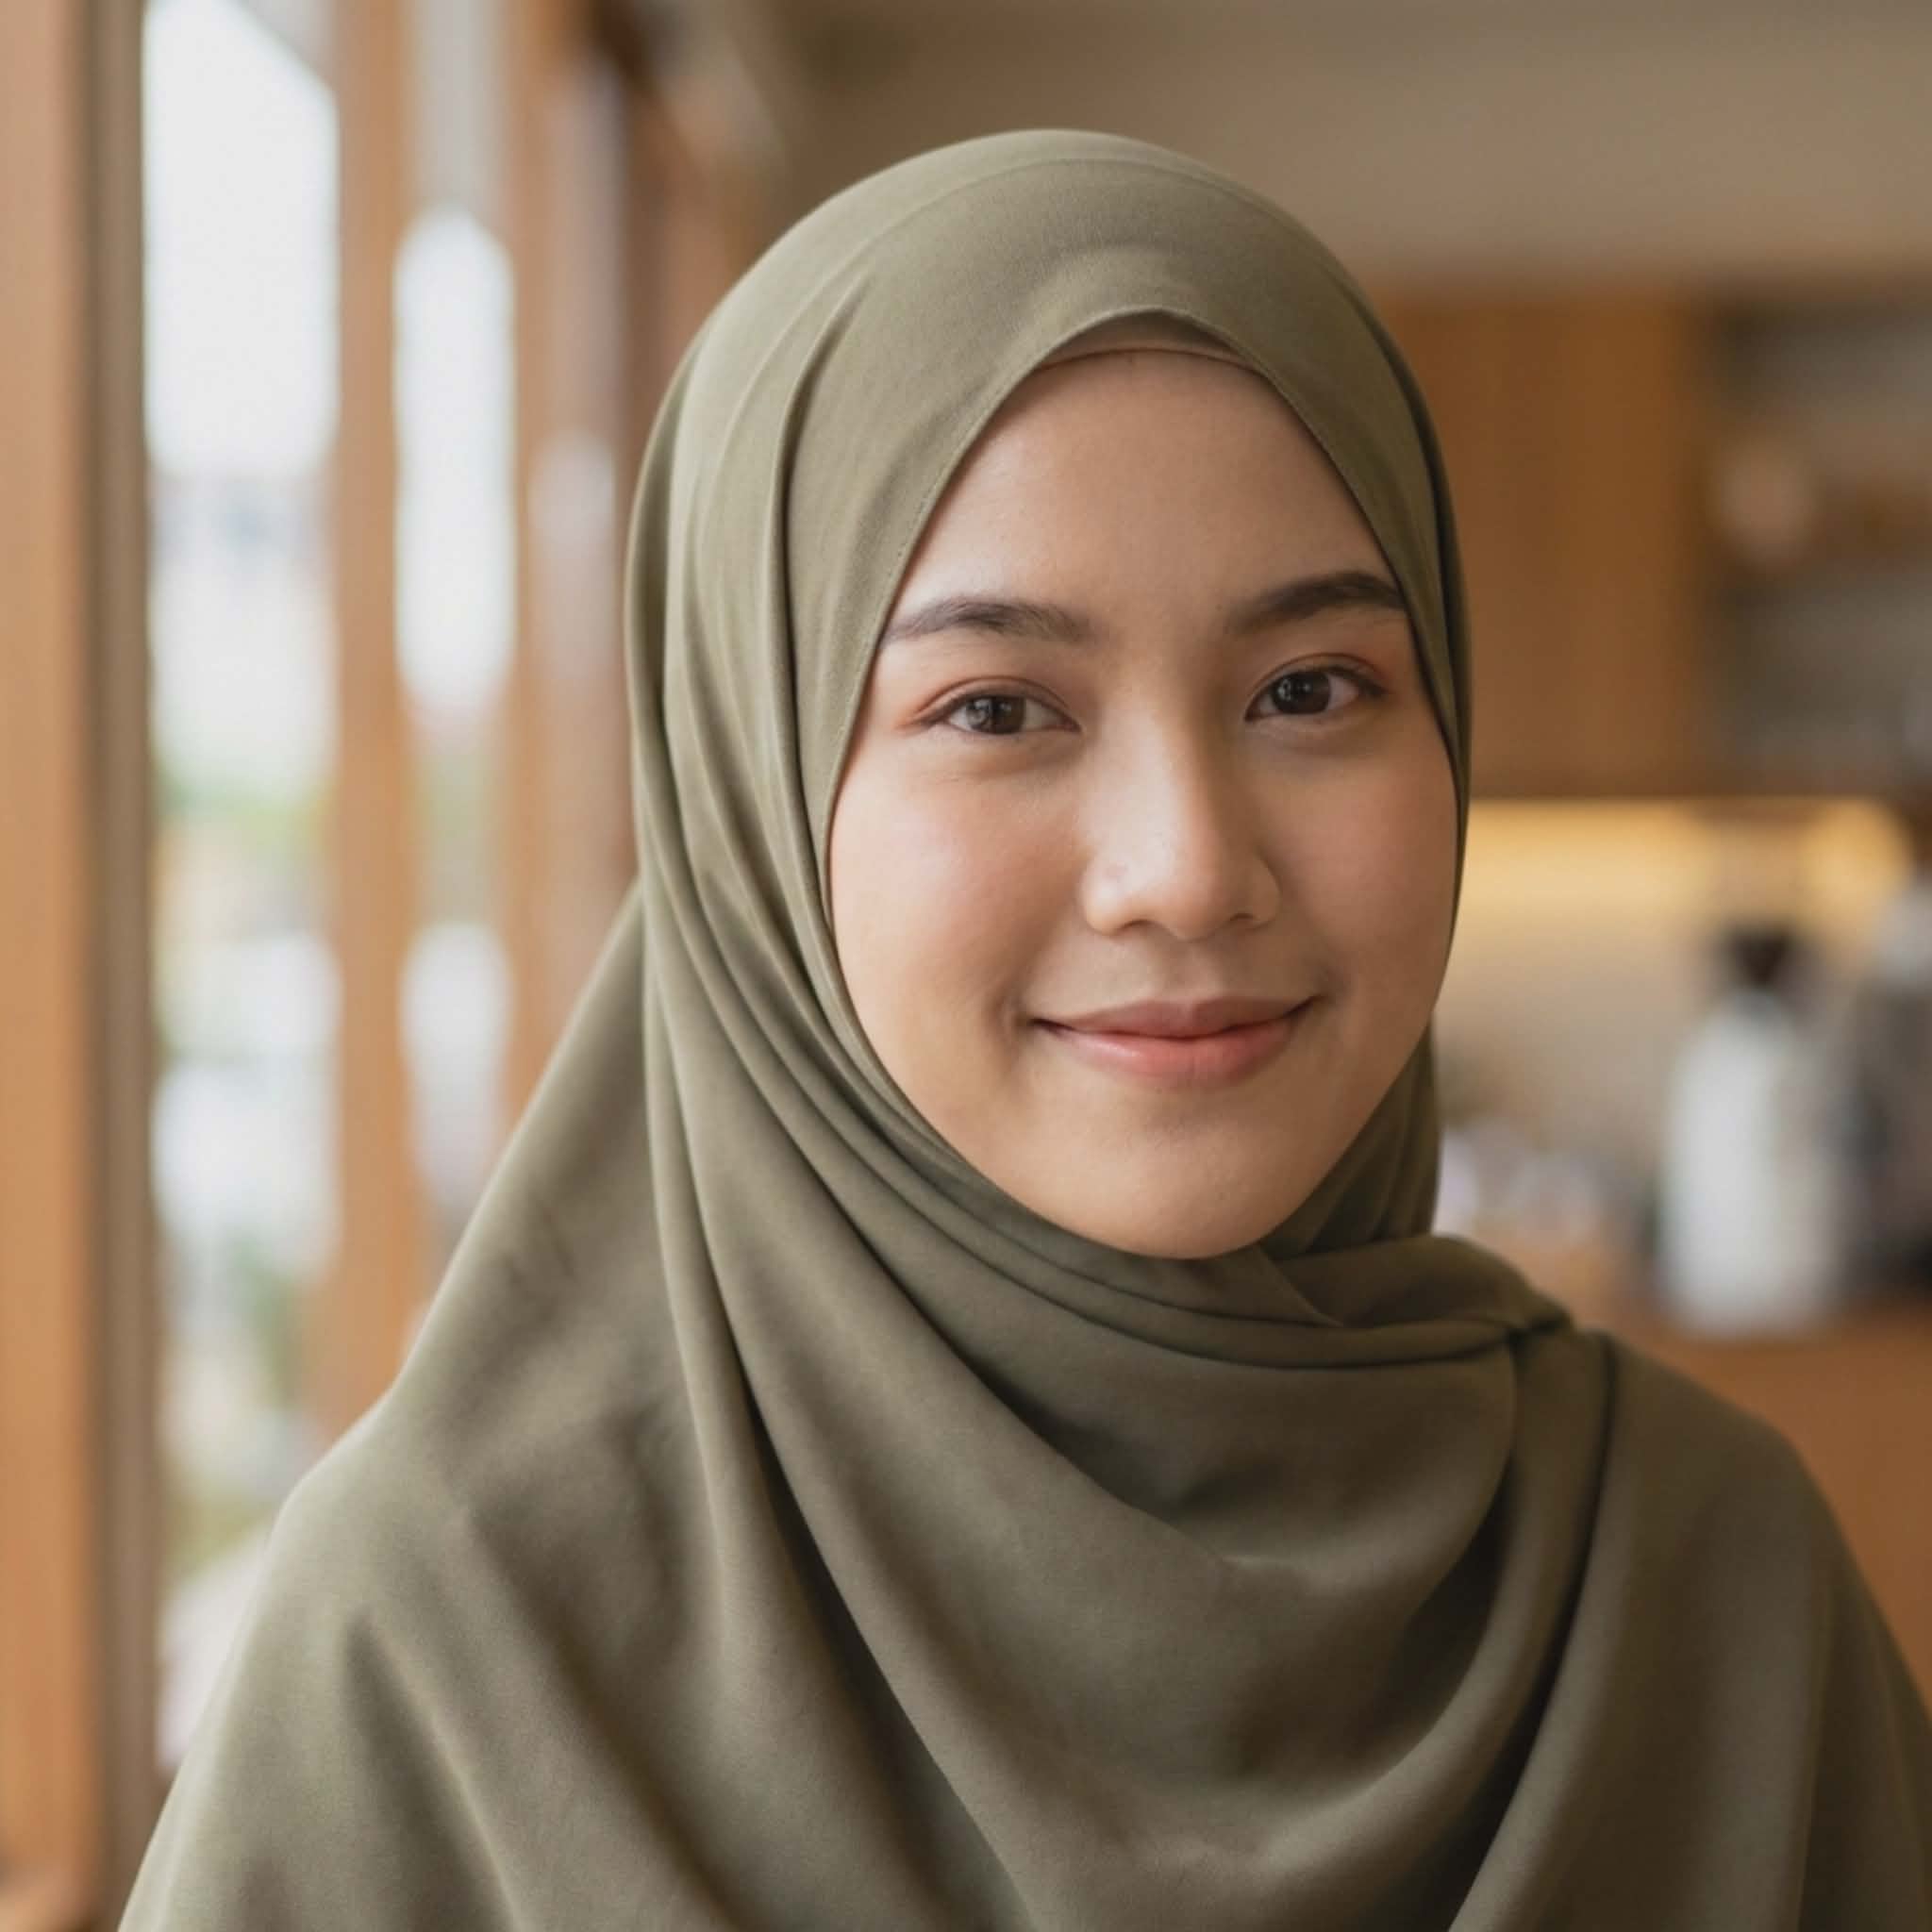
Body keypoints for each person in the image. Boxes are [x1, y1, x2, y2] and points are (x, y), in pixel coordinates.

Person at [119, 128, 1932, 1930]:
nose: (1186, 868)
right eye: (996, 707)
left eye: (1313, 688)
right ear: (755, 801)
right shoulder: (444, 1650)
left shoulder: (1711, 1593)